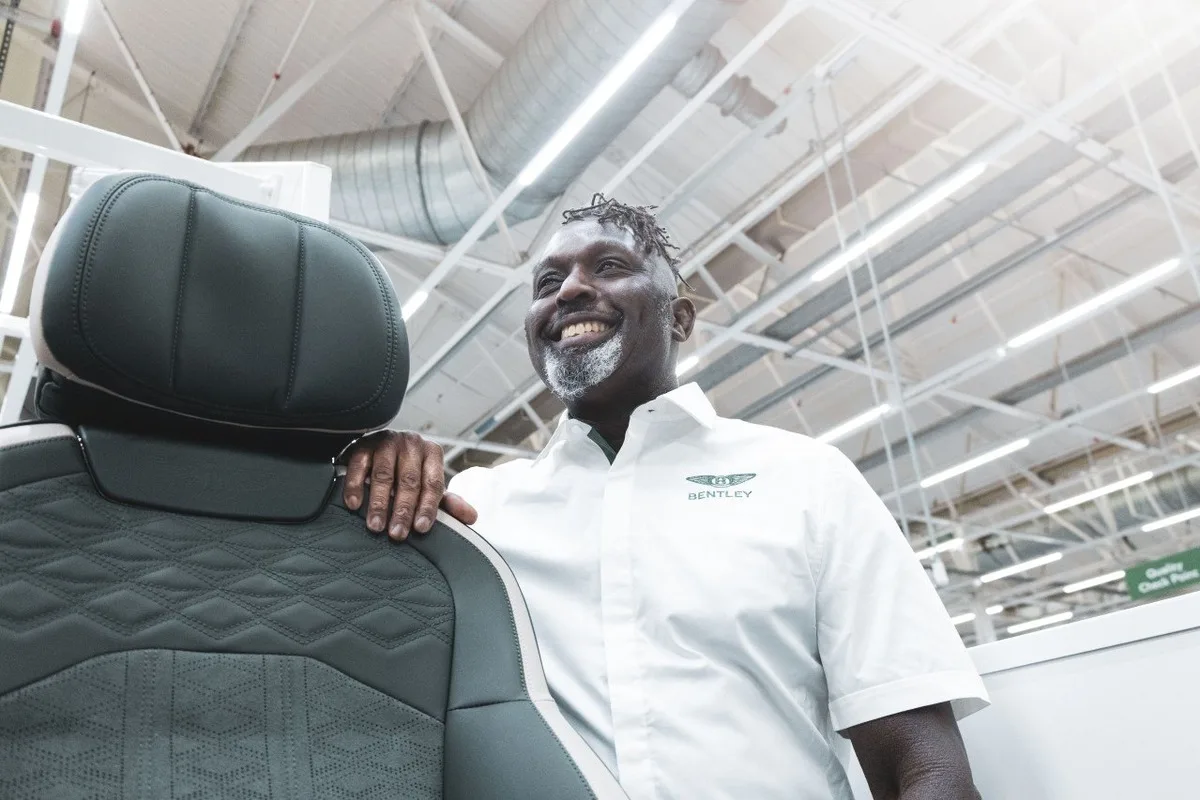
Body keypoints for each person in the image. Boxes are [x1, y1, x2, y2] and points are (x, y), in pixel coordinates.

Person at [342, 195, 988, 799]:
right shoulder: (479, 511)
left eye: (611, 266)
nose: (569, 290)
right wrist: (369, 470)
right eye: (548, 282)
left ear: (680, 316)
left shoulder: (804, 480)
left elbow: (923, 765)